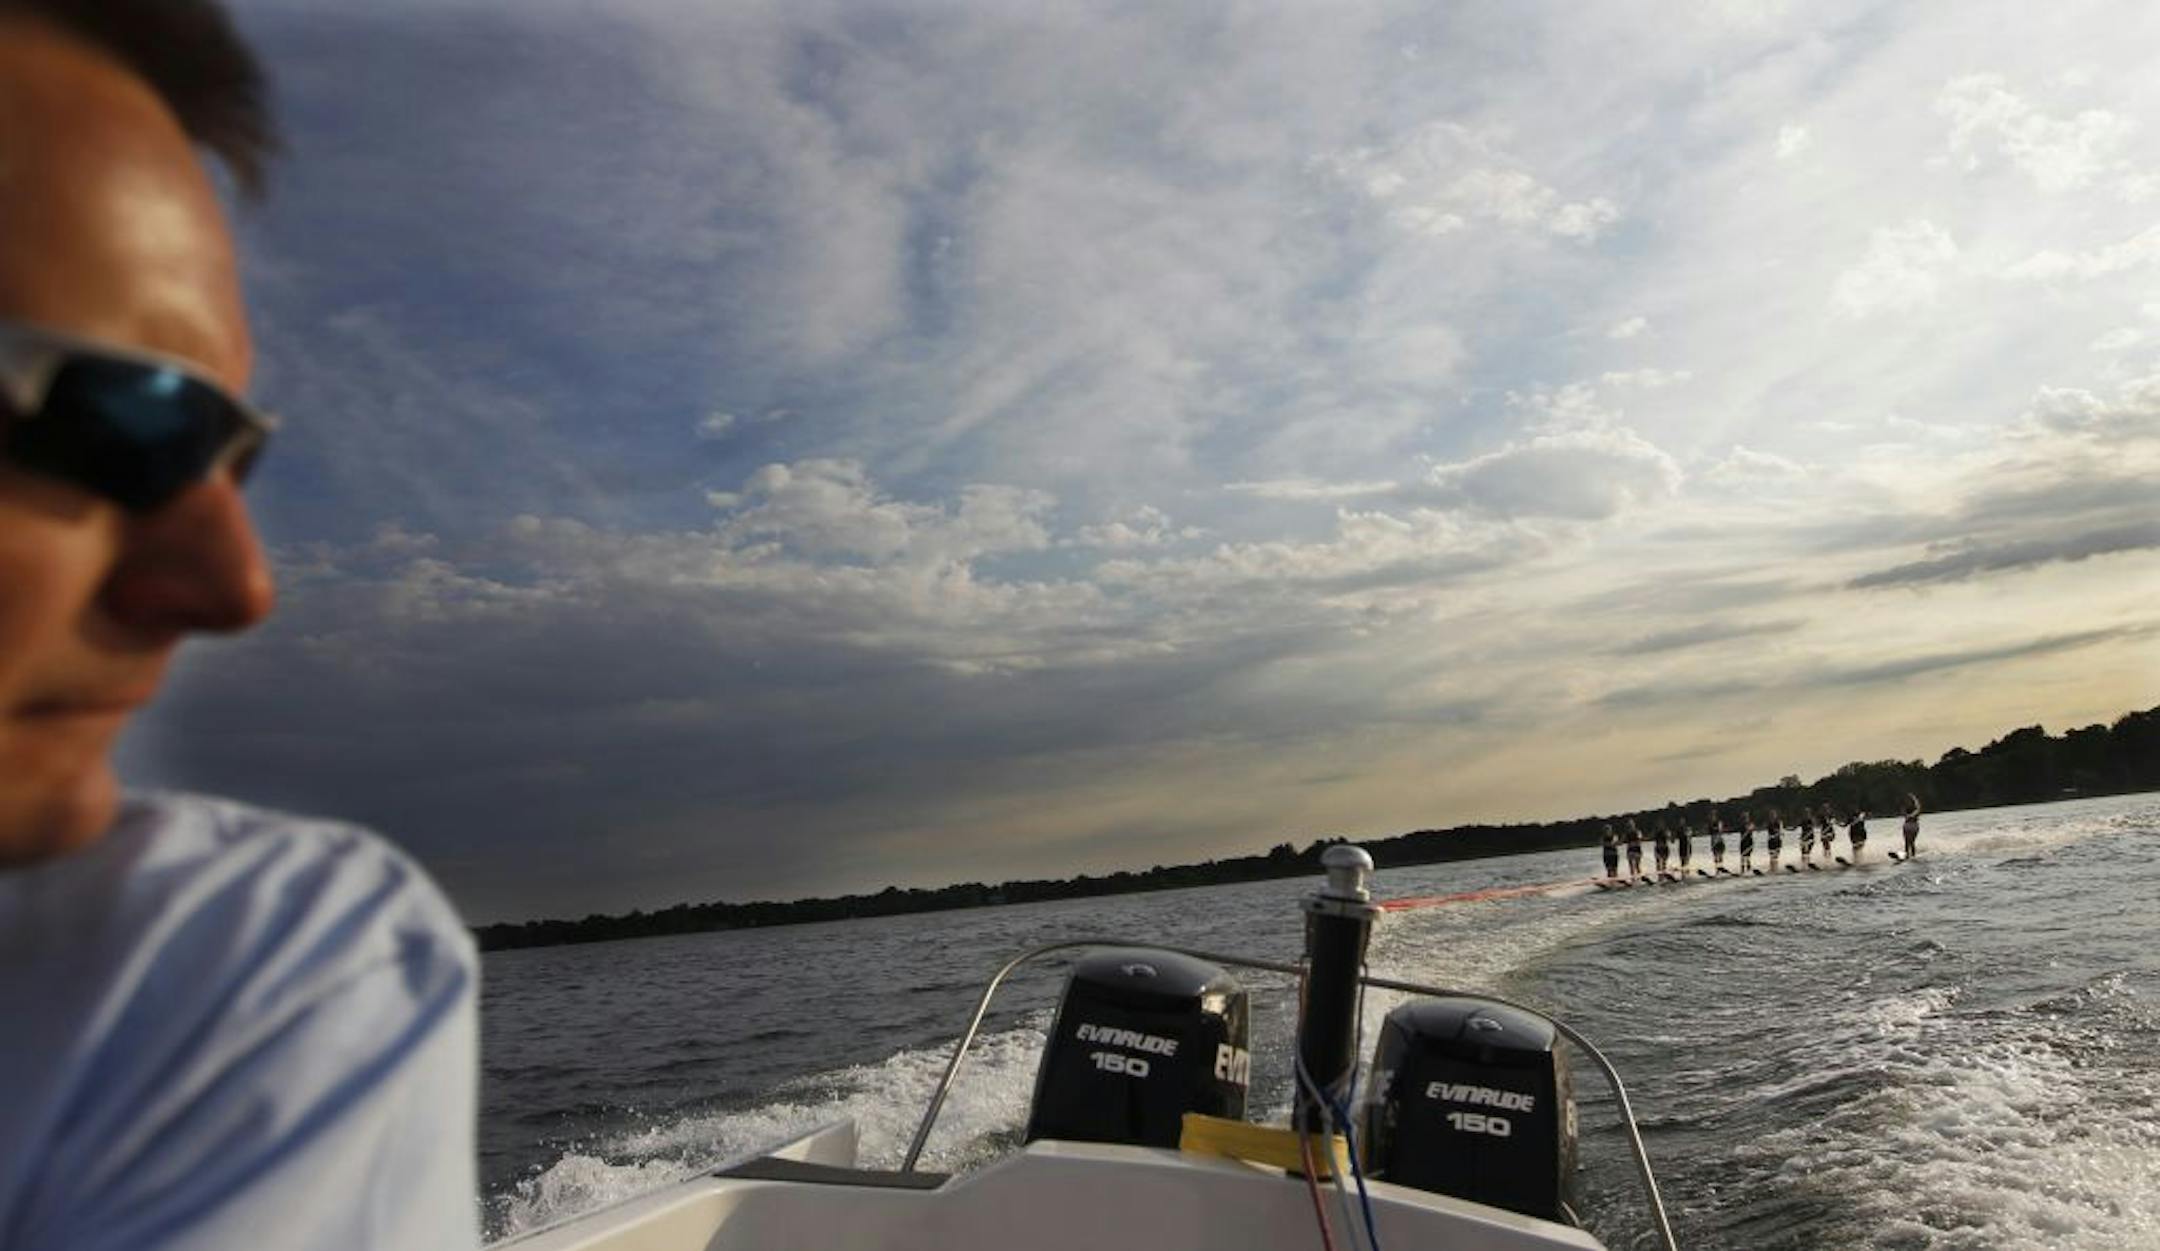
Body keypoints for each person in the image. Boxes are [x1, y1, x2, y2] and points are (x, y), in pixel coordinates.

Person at [0, 4, 481, 1248]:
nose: (235, 588)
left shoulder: (213, 974)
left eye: (225, 455)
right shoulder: (268, 958)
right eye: (119, 422)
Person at [1901, 794, 1922, 859]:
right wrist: (1914, 798)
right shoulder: (1914, 810)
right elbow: (1918, 806)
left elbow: (1918, 807)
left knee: (1909, 842)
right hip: (1911, 826)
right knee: (1909, 842)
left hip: (1910, 826)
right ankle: (1910, 855)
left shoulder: (1915, 810)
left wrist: (1913, 797)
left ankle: (1910, 855)